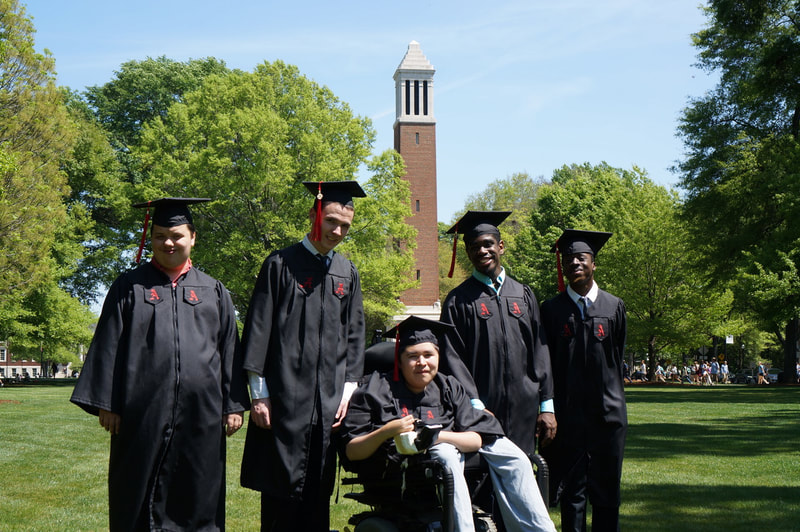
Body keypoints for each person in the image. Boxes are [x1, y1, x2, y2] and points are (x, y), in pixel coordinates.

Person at [70, 197, 249, 531]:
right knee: (136, 491)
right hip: (142, 414)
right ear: (150, 238)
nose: (168, 242)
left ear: (193, 237)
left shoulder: (213, 291)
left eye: (177, 235)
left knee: (199, 493)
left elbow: (229, 349)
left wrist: (233, 403)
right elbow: (109, 343)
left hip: (202, 416)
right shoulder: (130, 286)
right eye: (160, 235)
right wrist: (107, 402)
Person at [341, 316, 556, 532]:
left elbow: (478, 437)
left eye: (428, 355)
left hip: (450, 448)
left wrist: (436, 436)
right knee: (445, 454)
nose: (422, 362)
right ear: (399, 360)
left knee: (515, 456)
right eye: (412, 356)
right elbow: (352, 451)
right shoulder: (375, 390)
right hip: (401, 468)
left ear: (438, 356)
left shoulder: (449, 387)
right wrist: (388, 431)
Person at [239, 181, 366, 531]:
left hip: (328, 403)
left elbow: (355, 335)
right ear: (314, 216)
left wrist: (349, 389)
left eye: (345, 226)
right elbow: (258, 330)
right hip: (283, 400)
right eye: (331, 222)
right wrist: (259, 392)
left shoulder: (347, 272)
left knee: (317, 494)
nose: (337, 231)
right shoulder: (280, 264)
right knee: (281, 492)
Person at [439, 210, 556, 458]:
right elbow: (452, 358)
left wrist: (546, 405)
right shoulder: (458, 300)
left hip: (524, 409)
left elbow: (540, 350)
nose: (482, 251)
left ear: (500, 246)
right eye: (474, 247)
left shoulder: (523, 294)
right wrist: (474, 404)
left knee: (523, 475)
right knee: (481, 483)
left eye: (488, 244)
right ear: (468, 253)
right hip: (482, 410)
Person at [540, 229, 627, 532]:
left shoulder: (614, 306)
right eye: (568, 259)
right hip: (569, 417)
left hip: (608, 416)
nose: (575, 262)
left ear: (593, 263)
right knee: (572, 496)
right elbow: (546, 362)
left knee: (607, 494)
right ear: (562, 267)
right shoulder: (551, 309)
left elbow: (616, 355)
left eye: (581, 257)